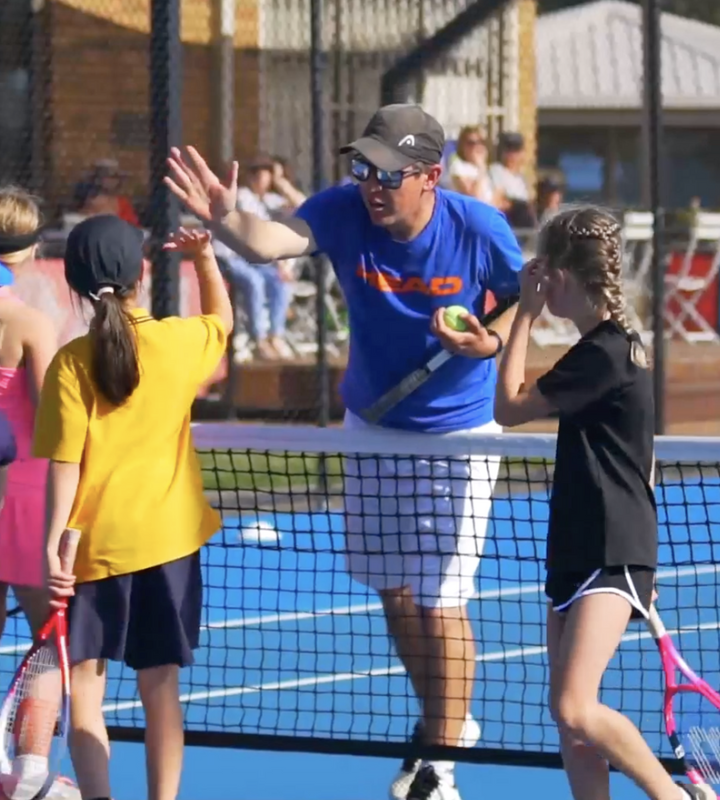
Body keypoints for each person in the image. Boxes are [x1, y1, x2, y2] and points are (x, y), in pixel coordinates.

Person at [165, 102, 524, 800]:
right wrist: (225, 215)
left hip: (461, 435)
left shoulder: (478, 227)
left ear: (431, 175)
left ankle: (437, 764)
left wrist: (492, 343)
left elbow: (521, 298)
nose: (373, 184)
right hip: (374, 428)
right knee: (393, 592)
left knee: (441, 601)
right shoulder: (341, 210)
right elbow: (269, 242)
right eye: (364, 167)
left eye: (389, 172)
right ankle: (444, 719)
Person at [493, 206, 712, 800]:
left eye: (544, 273)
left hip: (609, 549)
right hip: (581, 543)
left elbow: (508, 407)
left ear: (561, 277)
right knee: (570, 723)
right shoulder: (614, 349)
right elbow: (641, 459)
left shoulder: (605, 352)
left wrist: (524, 316)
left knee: (574, 706)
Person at [33, 215, 233, 800]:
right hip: (169, 547)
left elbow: (65, 463)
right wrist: (204, 257)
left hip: (94, 550)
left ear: (73, 284)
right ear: (140, 276)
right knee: (160, 689)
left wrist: (52, 542)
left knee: (85, 690)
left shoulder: (71, 362)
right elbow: (222, 319)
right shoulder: (177, 341)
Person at [0, 187, 58, 641]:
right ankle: (42, 718)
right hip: (25, 489)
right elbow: (51, 416)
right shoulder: (31, 323)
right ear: (32, 245)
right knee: (51, 631)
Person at [213, 154, 306, 360]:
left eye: (267, 176)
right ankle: (259, 339)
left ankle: (276, 336)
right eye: (259, 175)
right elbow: (253, 233)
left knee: (279, 282)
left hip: (256, 260)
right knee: (255, 282)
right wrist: (279, 262)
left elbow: (303, 205)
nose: (262, 180)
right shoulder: (243, 196)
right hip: (232, 257)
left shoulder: (272, 200)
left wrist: (281, 182)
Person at [444, 125, 497, 206]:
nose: (476, 147)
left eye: (481, 142)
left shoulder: (486, 168)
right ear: (462, 146)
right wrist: (481, 166)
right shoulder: (458, 167)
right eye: (471, 143)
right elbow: (474, 197)